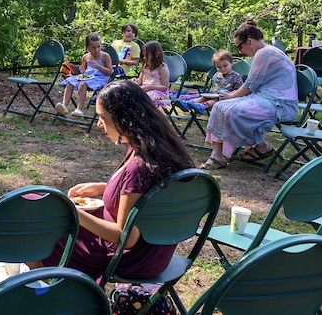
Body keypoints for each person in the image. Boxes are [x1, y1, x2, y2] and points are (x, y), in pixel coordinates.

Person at [44, 80, 194, 281]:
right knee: (38, 202)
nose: (99, 124)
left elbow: (125, 237)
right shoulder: (159, 148)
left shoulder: (139, 166)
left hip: (130, 257)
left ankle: (45, 292)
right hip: (156, 252)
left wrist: (74, 213)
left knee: (44, 229)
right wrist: (103, 188)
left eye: (102, 118)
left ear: (124, 119)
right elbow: (147, 196)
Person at [200, 20, 298, 170]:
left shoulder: (265, 53)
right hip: (267, 98)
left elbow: (250, 85)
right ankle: (222, 155)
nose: (240, 51)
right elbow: (253, 85)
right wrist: (232, 95)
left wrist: (232, 96)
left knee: (234, 110)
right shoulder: (266, 51)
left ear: (250, 41)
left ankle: (258, 146)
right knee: (220, 106)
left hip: (280, 104)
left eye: (240, 46)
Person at [55, 32, 113, 117]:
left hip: (100, 78)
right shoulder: (85, 57)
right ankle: (64, 106)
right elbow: (85, 69)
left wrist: (99, 66)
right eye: (93, 48)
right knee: (70, 82)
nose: (96, 50)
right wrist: (82, 70)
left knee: (82, 84)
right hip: (88, 77)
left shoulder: (105, 56)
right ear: (87, 47)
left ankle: (79, 109)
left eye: (98, 47)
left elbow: (110, 72)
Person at [175, 50, 243, 114]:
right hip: (215, 95)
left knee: (216, 99)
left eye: (225, 66)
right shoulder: (217, 74)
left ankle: (202, 106)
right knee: (204, 97)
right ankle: (187, 103)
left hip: (228, 99)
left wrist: (229, 95)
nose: (222, 68)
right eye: (219, 67)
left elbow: (239, 92)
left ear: (231, 63)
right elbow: (215, 87)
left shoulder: (236, 77)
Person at [132, 41, 170, 108]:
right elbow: (140, 80)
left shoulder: (162, 68)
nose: (144, 58)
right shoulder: (145, 66)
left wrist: (150, 87)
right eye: (143, 56)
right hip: (144, 89)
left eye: (146, 55)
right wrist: (136, 81)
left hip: (157, 92)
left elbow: (165, 87)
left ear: (156, 54)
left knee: (143, 97)